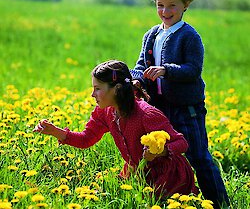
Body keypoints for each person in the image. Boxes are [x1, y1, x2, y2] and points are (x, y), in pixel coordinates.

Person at [130, 0, 229, 209]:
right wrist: (136, 80)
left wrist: (166, 69)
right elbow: (141, 65)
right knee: (162, 155)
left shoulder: (189, 36)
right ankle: (169, 198)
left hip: (188, 109)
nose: (165, 12)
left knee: (198, 156)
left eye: (172, 5)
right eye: (160, 5)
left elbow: (192, 69)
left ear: (185, 5)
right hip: (160, 108)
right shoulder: (151, 34)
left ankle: (220, 203)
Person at [33, 60, 198, 199]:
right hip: (138, 173)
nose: (92, 94)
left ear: (117, 89)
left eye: (97, 88)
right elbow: (86, 139)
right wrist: (55, 131)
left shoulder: (146, 114)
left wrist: (160, 151)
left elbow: (182, 143)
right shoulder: (105, 112)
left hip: (169, 177)